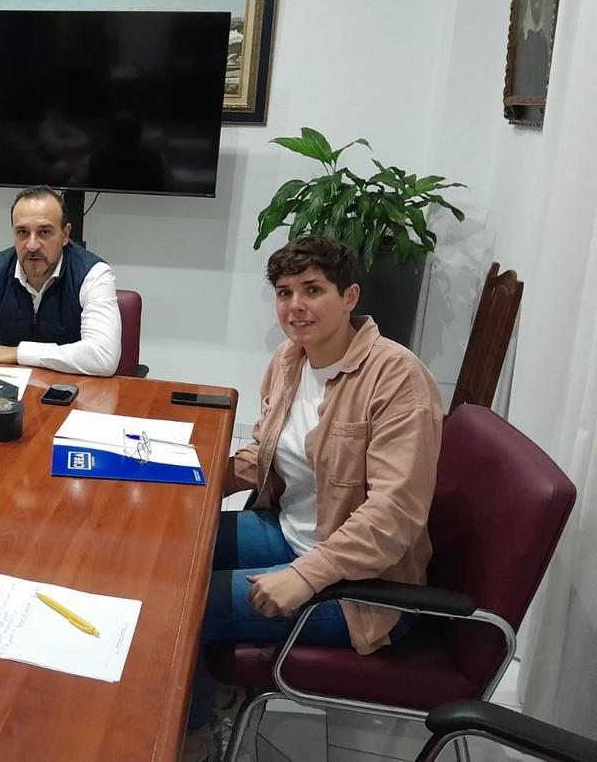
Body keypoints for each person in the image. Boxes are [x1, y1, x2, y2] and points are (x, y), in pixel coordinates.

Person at [184, 236, 442, 760]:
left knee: (188, 603)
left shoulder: (397, 378)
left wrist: (304, 575)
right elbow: (269, 455)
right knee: (176, 546)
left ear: (349, 296)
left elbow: (395, 515)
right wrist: (189, 474)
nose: (295, 306)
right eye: (284, 292)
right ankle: (211, 686)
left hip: (362, 586)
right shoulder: (289, 359)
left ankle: (192, 740)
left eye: (312, 290)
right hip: (291, 532)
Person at [0, 185, 121, 377]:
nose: (32, 245)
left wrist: (18, 353)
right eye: (23, 232)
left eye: (44, 232)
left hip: (74, 392)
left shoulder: (93, 274)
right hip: (5, 395)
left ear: (65, 234)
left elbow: (103, 357)